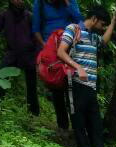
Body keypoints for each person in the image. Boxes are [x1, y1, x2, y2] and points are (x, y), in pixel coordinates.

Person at [56, 5, 114, 147]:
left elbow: (104, 42)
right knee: (79, 123)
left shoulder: (93, 37)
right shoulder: (73, 29)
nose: (102, 28)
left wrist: (113, 22)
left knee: (95, 125)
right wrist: (78, 67)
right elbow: (61, 51)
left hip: (91, 88)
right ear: (94, 19)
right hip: (75, 83)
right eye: (102, 24)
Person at [0, 0, 40, 116]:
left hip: (29, 54)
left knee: (31, 86)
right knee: (0, 79)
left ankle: (33, 114)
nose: (19, 1)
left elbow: (37, 37)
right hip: (12, 54)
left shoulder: (30, 16)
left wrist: (38, 57)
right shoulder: (5, 15)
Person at [31, 0, 83, 130]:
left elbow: (80, 22)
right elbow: (36, 29)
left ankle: (78, 126)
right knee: (57, 87)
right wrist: (45, 47)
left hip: (70, 48)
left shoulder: (70, 2)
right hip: (51, 51)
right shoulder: (40, 3)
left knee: (73, 86)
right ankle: (63, 126)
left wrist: (67, 4)